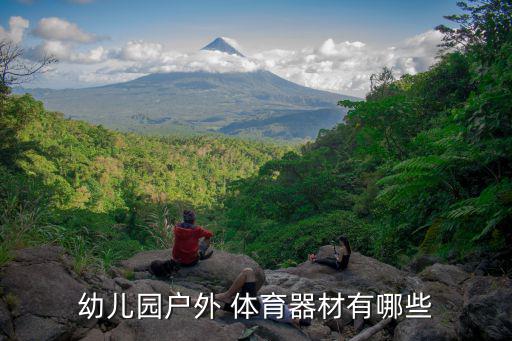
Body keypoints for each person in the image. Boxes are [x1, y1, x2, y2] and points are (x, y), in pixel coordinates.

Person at [214, 268, 311, 328]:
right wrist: (305, 308)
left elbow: (303, 322)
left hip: (254, 307)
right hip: (250, 308)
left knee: (248, 272)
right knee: (215, 302)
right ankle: (218, 300)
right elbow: (296, 306)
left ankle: (226, 295)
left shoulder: (290, 317)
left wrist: (305, 317)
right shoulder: (286, 309)